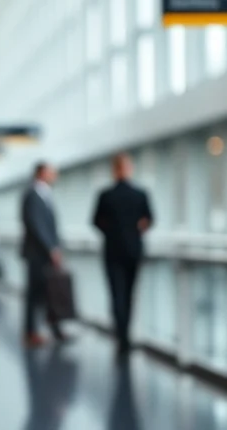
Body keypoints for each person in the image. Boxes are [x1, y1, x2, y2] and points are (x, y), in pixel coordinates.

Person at [93, 153, 153, 357]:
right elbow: (149, 220)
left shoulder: (105, 195)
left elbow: (96, 221)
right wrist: (135, 231)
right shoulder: (140, 194)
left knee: (116, 294)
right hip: (133, 250)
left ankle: (121, 338)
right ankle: (125, 336)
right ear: (128, 169)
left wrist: (112, 232)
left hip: (112, 250)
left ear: (114, 170)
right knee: (128, 295)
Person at [21, 162, 67, 347]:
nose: (54, 175)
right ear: (41, 173)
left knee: (50, 291)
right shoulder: (32, 194)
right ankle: (31, 332)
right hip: (36, 253)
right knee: (34, 294)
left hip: (44, 253)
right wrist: (51, 248)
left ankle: (55, 329)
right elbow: (37, 225)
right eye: (51, 172)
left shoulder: (45, 194)